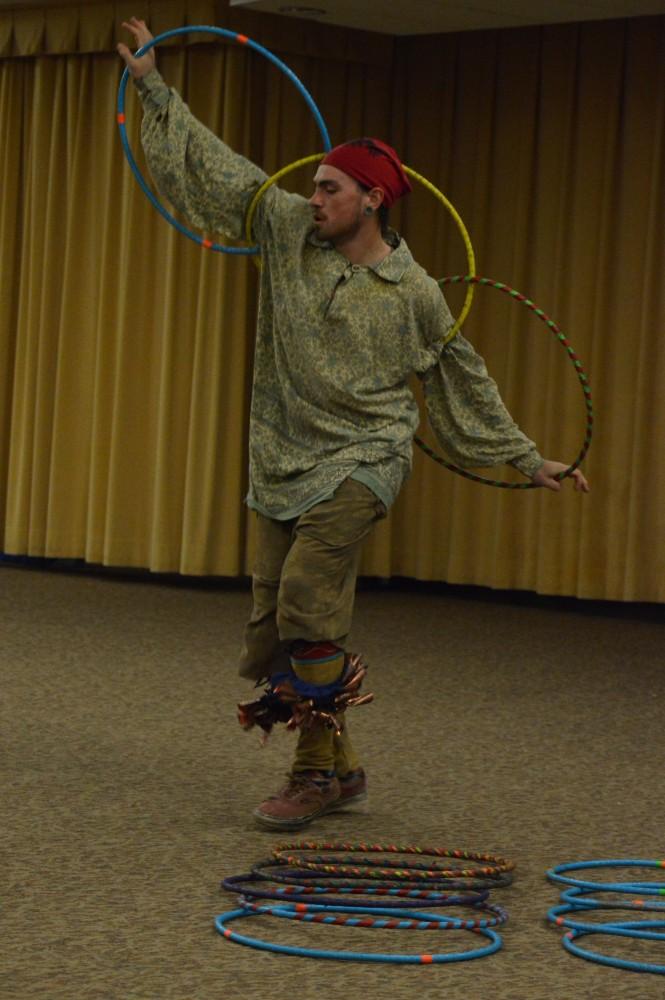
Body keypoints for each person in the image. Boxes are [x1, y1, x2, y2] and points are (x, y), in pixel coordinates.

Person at [118, 18, 590, 831]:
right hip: (280, 455)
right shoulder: (284, 233)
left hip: (366, 456)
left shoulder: (412, 293)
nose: (314, 195)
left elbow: (457, 378)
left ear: (373, 198)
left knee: (307, 596)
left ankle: (307, 774)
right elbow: (215, 170)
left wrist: (525, 458)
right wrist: (153, 86)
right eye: (316, 184)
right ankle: (343, 770)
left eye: (332, 187)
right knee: (275, 623)